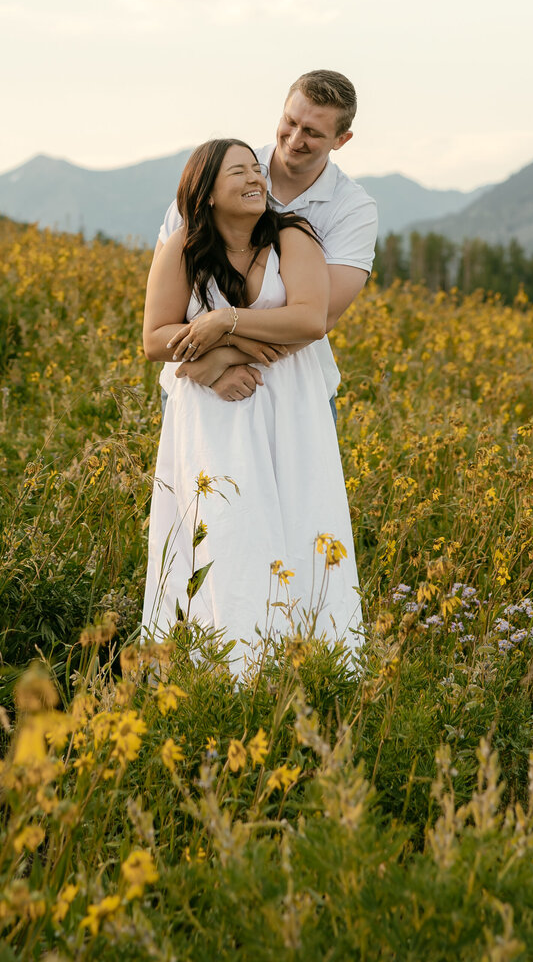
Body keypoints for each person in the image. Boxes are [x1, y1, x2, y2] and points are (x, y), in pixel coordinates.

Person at [141, 138, 362, 675]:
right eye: (238, 172)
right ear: (207, 192)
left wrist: (224, 329)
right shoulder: (183, 247)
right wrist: (211, 360)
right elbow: (154, 339)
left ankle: (314, 664)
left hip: (289, 409)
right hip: (212, 420)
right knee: (226, 528)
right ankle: (223, 669)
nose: (256, 179)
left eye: (256, 170)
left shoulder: (293, 238)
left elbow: (311, 320)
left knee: (300, 520)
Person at [156, 70, 378, 413]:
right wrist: (211, 372)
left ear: (341, 140)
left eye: (313, 133)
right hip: (193, 386)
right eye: (290, 121)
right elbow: (163, 301)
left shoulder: (352, 209)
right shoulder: (220, 171)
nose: (294, 138)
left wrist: (224, 352)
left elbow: (319, 319)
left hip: (298, 396)